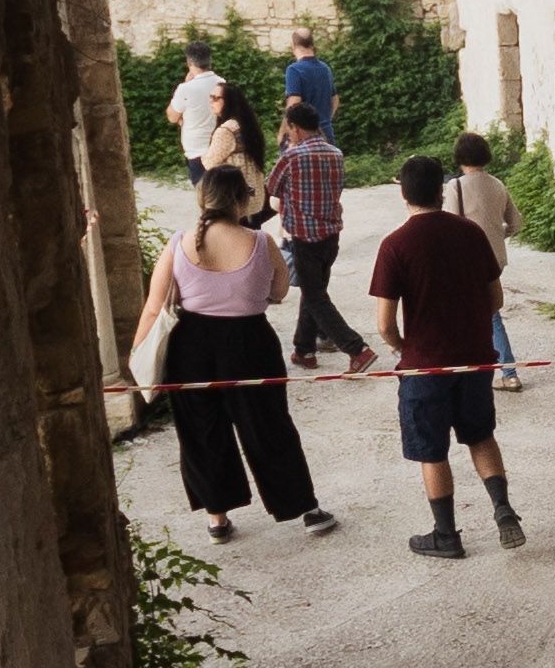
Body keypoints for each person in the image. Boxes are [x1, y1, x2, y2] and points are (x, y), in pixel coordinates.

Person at [123, 167, 333, 543]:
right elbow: (280, 292)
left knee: (201, 431)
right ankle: (304, 508)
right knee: (270, 425)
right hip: (250, 342)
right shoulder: (260, 241)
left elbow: (154, 307)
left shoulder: (179, 244)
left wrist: (137, 356)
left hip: (191, 346)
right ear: (241, 199)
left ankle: (217, 518)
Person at [370, 155, 523, 560]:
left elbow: (385, 324)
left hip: (425, 364)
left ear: (402, 193)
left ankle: (446, 535)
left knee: (431, 450)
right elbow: (496, 298)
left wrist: (405, 348)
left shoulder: (395, 245)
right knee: (480, 435)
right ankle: (502, 508)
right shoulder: (471, 234)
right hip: (474, 359)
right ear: (442, 190)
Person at [267, 99, 376, 371]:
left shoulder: (290, 157)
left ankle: (357, 349)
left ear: (295, 128)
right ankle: (304, 350)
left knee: (315, 296)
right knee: (314, 292)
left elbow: (271, 188)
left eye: (289, 128)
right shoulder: (335, 154)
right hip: (331, 236)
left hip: (305, 238)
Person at [443, 131, 525, 391]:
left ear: (459, 157)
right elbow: (516, 222)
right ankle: (508, 374)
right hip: (494, 259)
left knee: (463, 315)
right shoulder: (498, 184)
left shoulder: (455, 187)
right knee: (490, 314)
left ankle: (467, 371)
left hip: (465, 261)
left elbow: (449, 223)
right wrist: (498, 233)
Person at [201, 77, 271, 209]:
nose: (211, 101)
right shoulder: (245, 124)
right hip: (253, 194)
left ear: (228, 102)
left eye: (216, 98)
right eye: (210, 97)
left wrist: (203, 155)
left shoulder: (226, 130)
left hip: (235, 198)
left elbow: (209, 163)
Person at [165, 39, 228, 183]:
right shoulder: (222, 82)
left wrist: (185, 84)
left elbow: (172, 117)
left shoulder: (185, 88)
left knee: (204, 196)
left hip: (196, 150)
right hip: (218, 147)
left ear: (189, 62)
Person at [283, 27, 338, 139]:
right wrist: (325, 121)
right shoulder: (325, 68)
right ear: (312, 45)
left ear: (293, 46)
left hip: (304, 136)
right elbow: (335, 100)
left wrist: (284, 131)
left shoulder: (294, 70)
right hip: (326, 134)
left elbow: (294, 103)